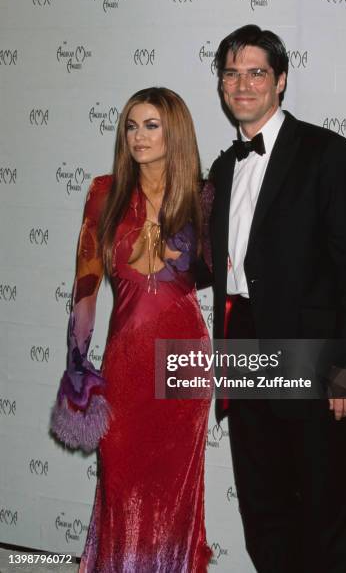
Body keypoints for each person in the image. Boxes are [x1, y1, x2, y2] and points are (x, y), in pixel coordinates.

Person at [208, 25, 346, 573]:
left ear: (280, 81)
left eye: (256, 72)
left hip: (311, 356)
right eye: (231, 73)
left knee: (323, 511)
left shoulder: (326, 153)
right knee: (263, 508)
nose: (243, 84)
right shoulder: (222, 167)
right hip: (243, 347)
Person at [51, 87, 212, 572]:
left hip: (184, 361)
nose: (138, 136)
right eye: (131, 125)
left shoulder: (203, 196)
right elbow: (85, 286)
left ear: (175, 131)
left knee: (175, 498)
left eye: (151, 125)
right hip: (125, 363)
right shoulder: (105, 193)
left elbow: (223, 275)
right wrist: (78, 367)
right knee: (119, 487)